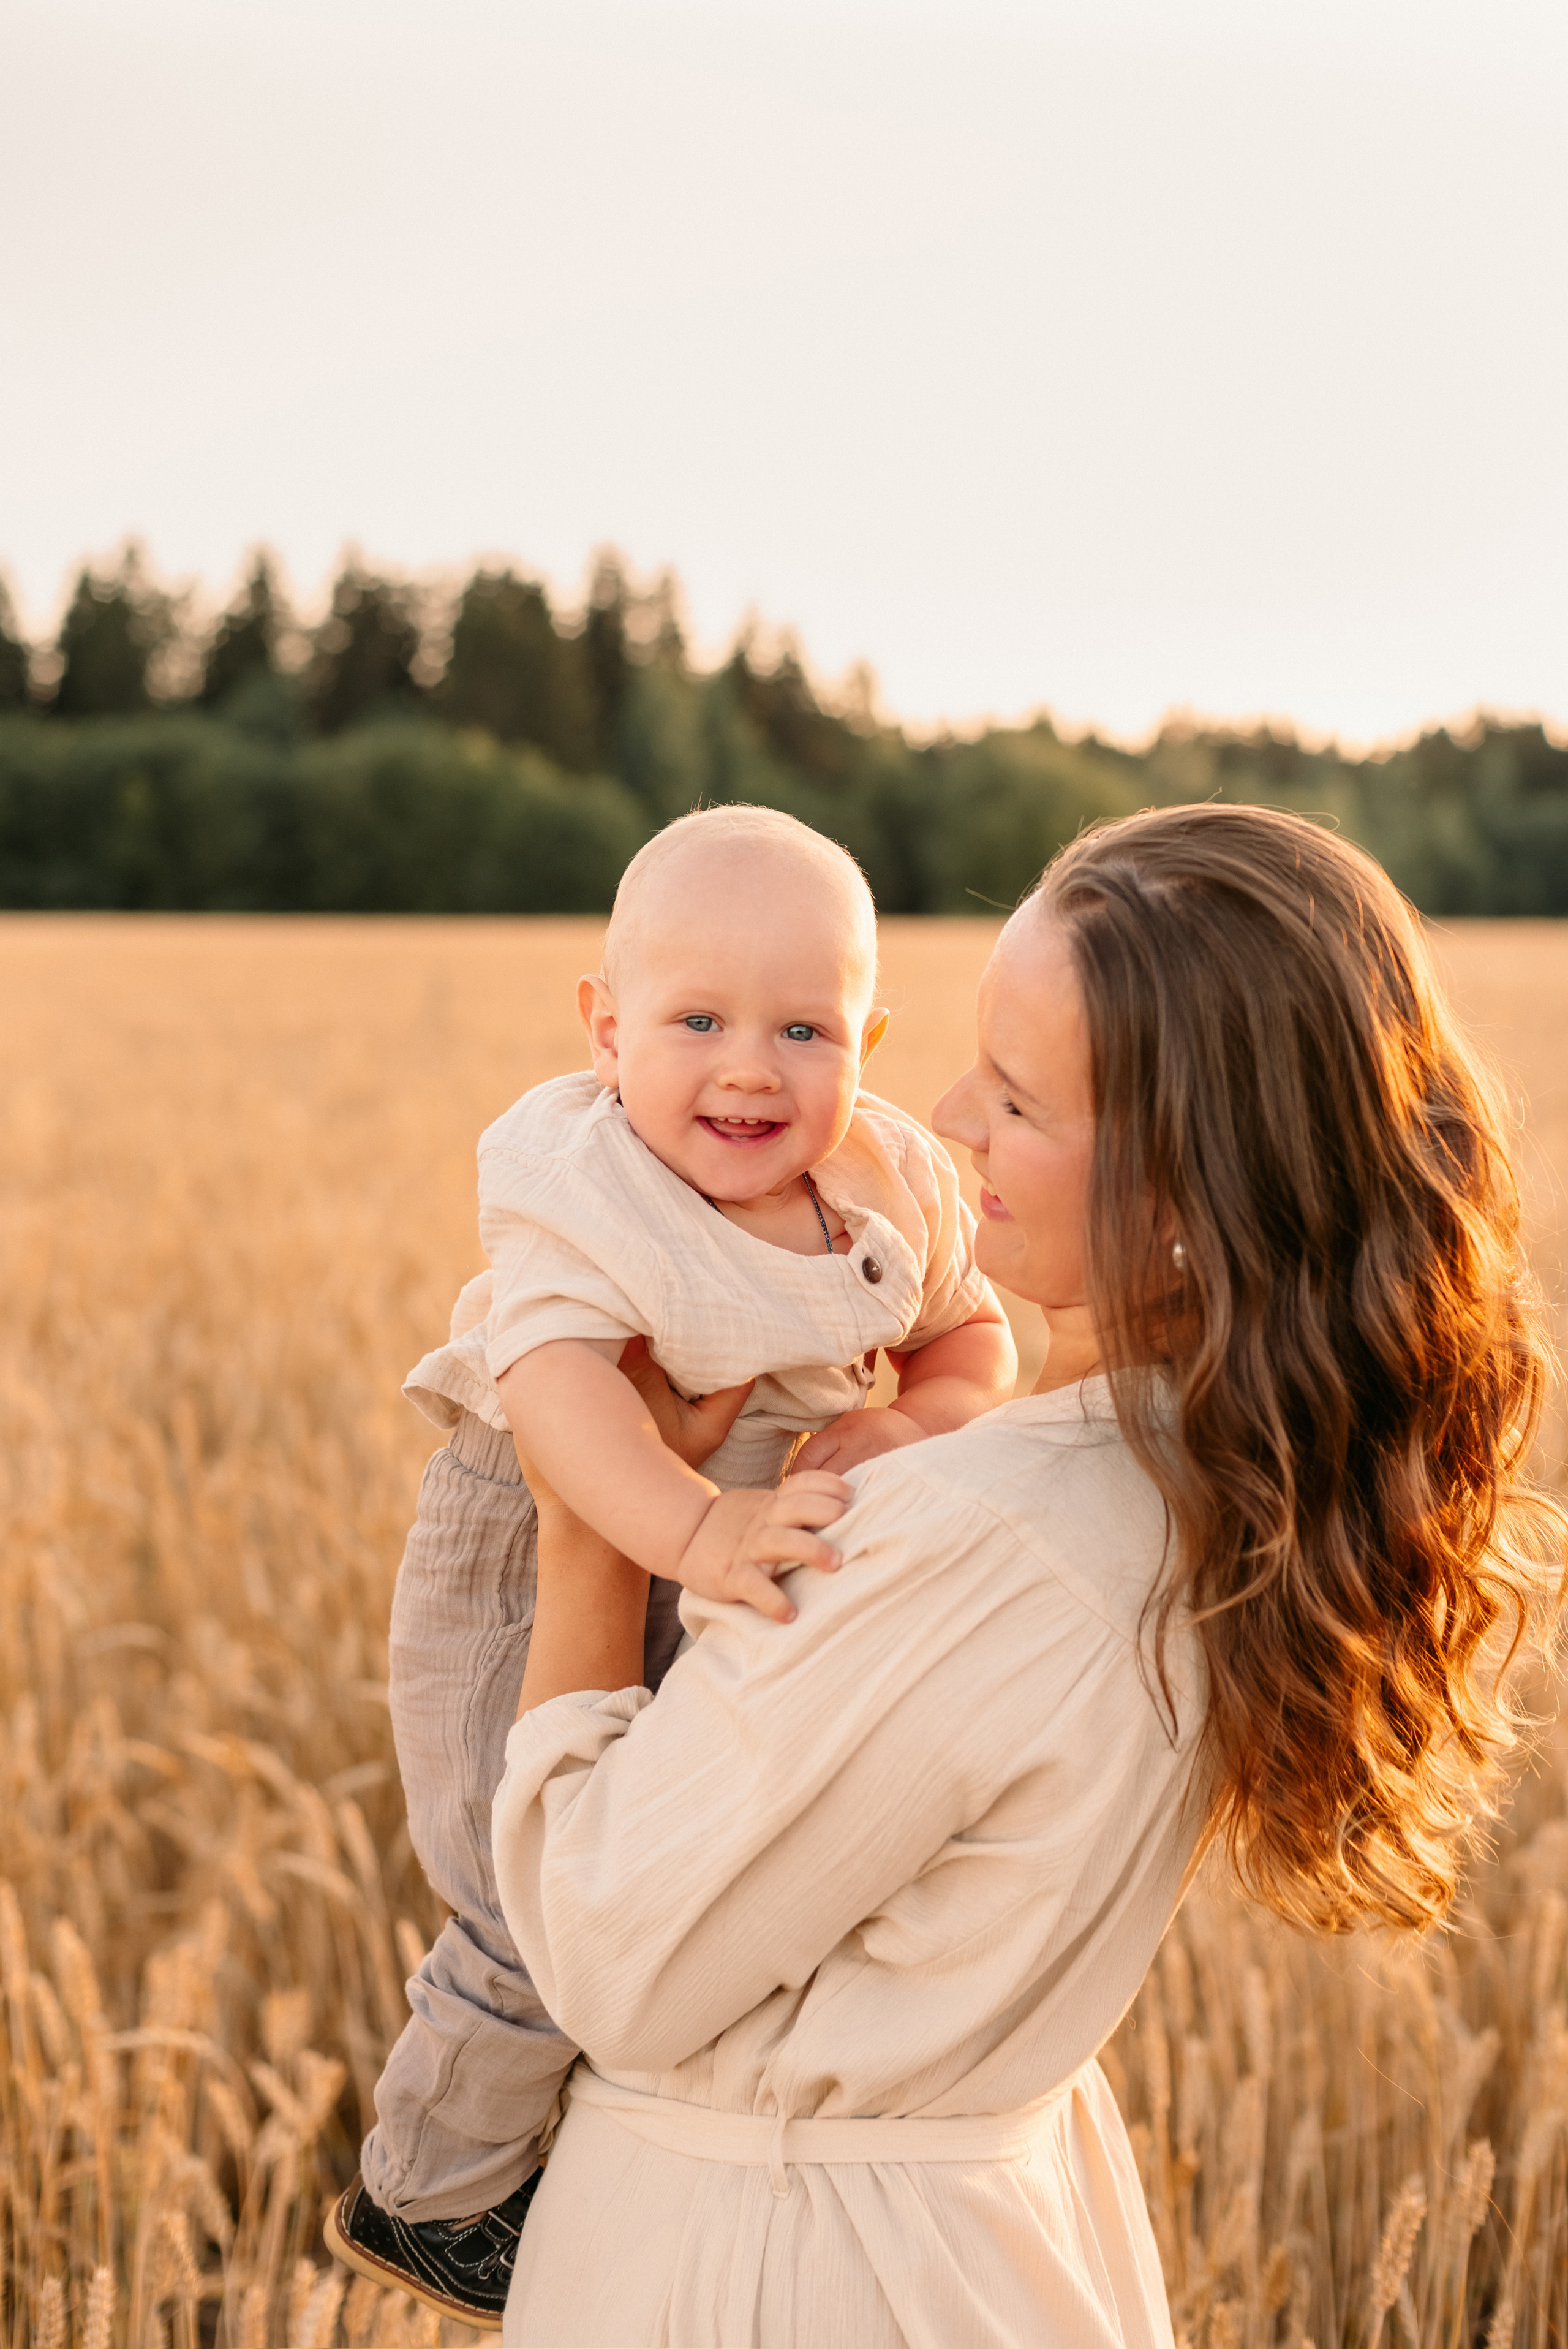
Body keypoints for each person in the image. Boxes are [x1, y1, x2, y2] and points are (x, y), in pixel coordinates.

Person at [489, 803, 1566, 2348]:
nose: (941, 1117)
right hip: (974, 2235)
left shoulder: (972, 1539)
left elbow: (604, 1954)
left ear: (1194, 1189)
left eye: (1016, 1099)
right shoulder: (1218, 1479)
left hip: (779, 2282)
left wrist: (591, 1531)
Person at [326, 806, 1017, 2324]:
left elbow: (973, 1332)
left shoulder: (889, 1185)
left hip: (739, 1557)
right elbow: (561, 1386)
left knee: (677, 1877)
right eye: (694, 1020)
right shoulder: (583, 1175)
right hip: (540, 1536)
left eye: (802, 1026)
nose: (750, 1067)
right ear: (603, 1028)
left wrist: (923, 1414)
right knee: (535, 1880)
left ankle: (587, 2148)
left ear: (868, 1037)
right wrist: (691, 1522)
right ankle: (430, 2189)